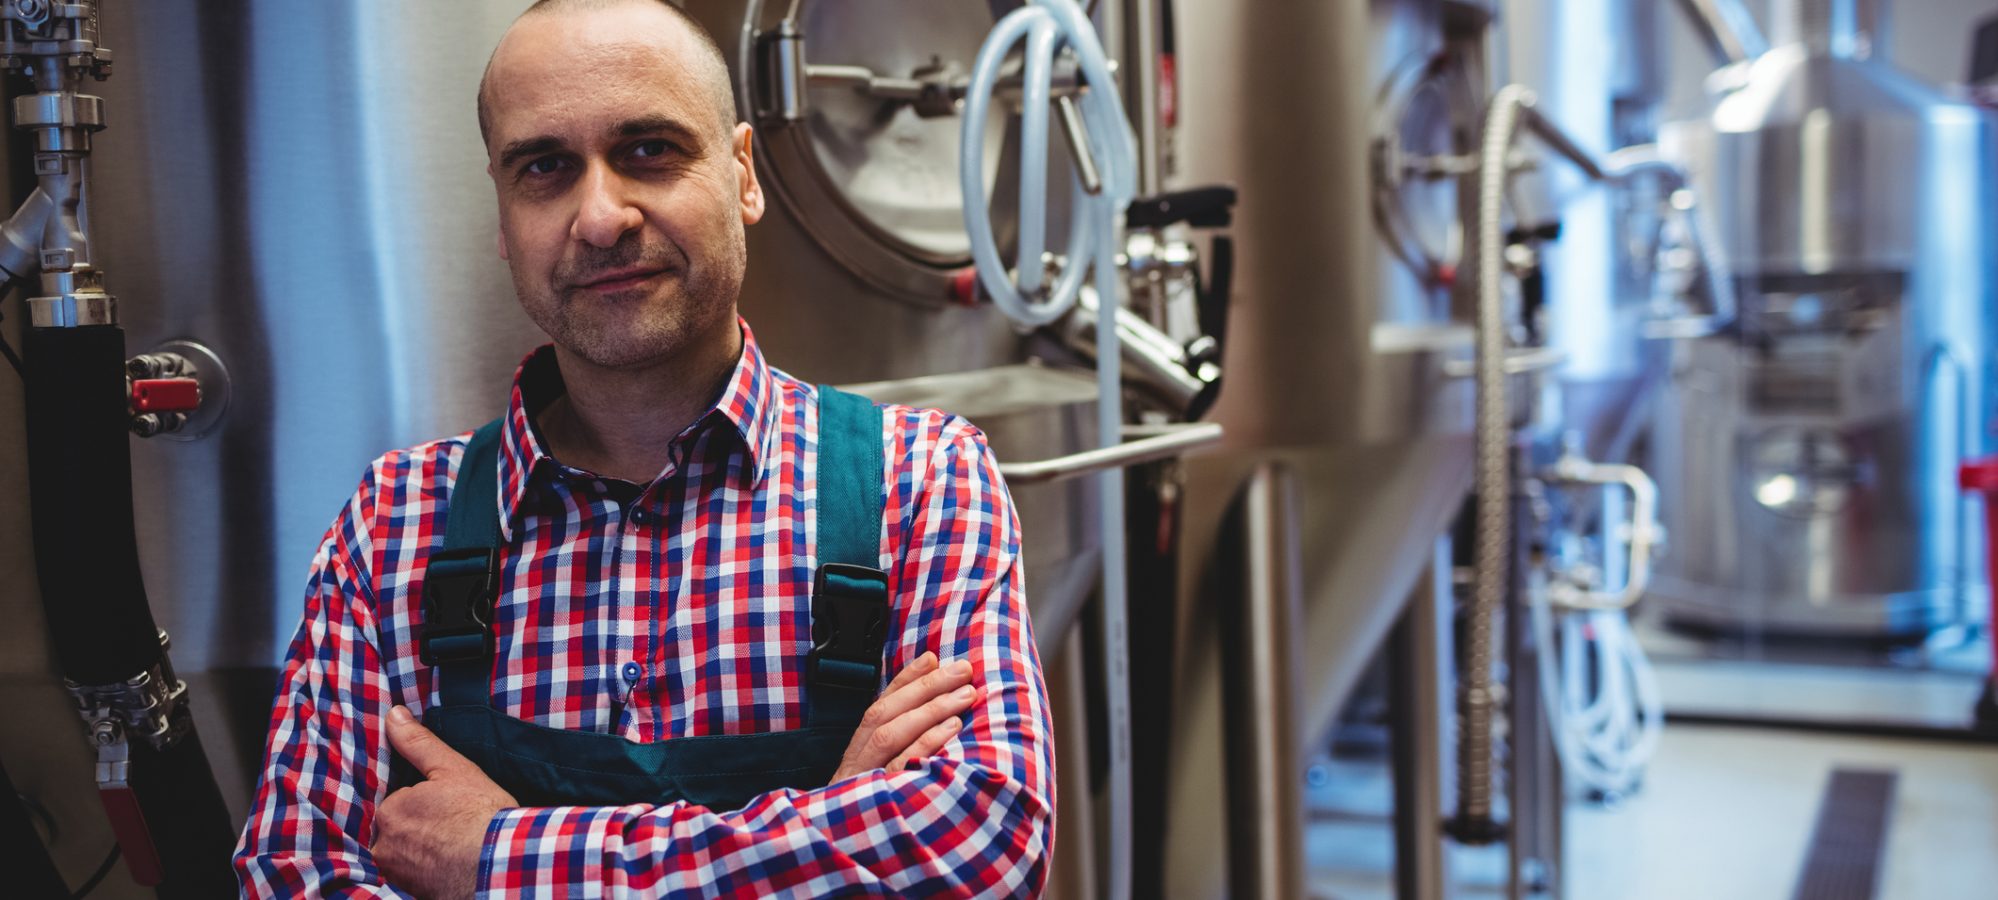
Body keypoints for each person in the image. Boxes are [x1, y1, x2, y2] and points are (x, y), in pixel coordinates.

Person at [232, 0, 1052, 896]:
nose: (600, 216)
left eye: (649, 151)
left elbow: (979, 842)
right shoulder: (396, 525)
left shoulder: (919, 478)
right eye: (545, 167)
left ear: (743, 173)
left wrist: (499, 858)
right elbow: (292, 876)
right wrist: (832, 823)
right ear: (504, 218)